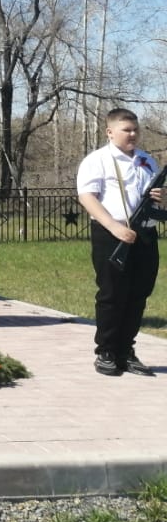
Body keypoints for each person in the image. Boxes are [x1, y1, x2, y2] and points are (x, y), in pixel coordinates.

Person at [76, 108, 162, 377]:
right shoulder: (98, 160)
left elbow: (158, 200)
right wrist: (114, 226)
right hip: (112, 233)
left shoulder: (147, 161)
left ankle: (126, 350)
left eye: (136, 129)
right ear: (110, 132)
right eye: (127, 130)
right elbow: (87, 196)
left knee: (138, 294)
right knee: (113, 294)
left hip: (145, 234)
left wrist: (163, 198)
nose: (133, 134)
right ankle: (106, 351)